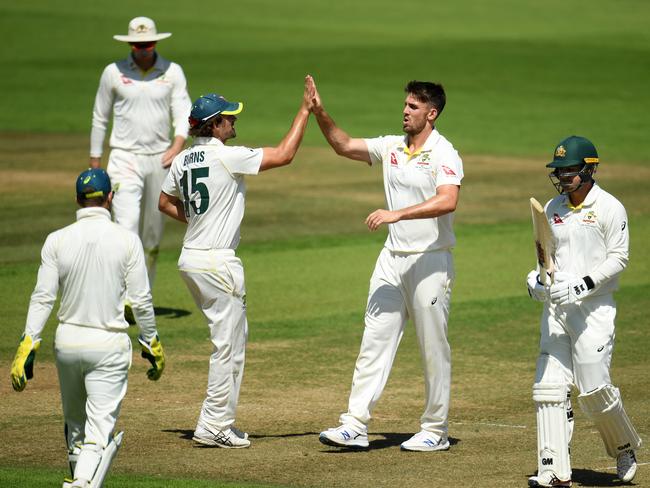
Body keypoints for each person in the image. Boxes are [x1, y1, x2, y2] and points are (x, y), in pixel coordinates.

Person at [308, 76, 463, 451]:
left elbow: (448, 200)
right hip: (392, 259)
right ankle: (355, 424)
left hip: (430, 261)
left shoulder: (445, 153)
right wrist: (319, 112)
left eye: (413, 107)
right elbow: (344, 145)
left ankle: (435, 430)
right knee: (374, 339)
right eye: (405, 105)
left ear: (432, 113)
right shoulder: (392, 146)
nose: (405, 111)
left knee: (432, 347)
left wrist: (398, 215)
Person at [158, 78, 312, 448]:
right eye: (227, 117)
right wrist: (305, 111)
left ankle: (215, 423)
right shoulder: (227, 155)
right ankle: (214, 426)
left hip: (191, 258)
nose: (233, 122)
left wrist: (198, 218)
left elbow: (164, 203)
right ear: (213, 125)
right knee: (229, 346)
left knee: (226, 341)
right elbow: (285, 154)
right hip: (217, 261)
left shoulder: (182, 159)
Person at [10, 168, 165, 488]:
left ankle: (77, 475)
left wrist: (28, 342)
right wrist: (151, 342)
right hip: (108, 344)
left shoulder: (57, 240)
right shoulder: (127, 240)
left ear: (78, 199)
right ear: (110, 198)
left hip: (67, 343)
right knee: (98, 434)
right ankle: (80, 484)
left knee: (76, 430)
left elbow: (42, 297)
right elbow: (141, 299)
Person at [526, 136, 641, 487]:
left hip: (594, 312)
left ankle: (623, 447)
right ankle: (553, 469)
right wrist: (537, 280)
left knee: (593, 390)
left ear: (590, 169)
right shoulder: (552, 208)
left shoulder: (609, 207)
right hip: (557, 312)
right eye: (559, 171)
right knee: (549, 388)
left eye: (571, 170)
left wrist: (582, 285)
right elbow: (546, 257)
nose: (563, 177)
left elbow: (619, 258)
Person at [90, 16, 191, 289]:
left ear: (155, 42)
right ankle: (122, 294)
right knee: (126, 226)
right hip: (124, 157)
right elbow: (100, 117)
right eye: (137, 45)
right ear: (130, 45)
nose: (143, 49)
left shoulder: (172, 71)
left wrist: (177, 144)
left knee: (152, 235)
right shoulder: (114, 71)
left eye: (147, 44)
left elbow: (183, 112)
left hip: (160, 159)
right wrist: (95, 163)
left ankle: (141, 294)